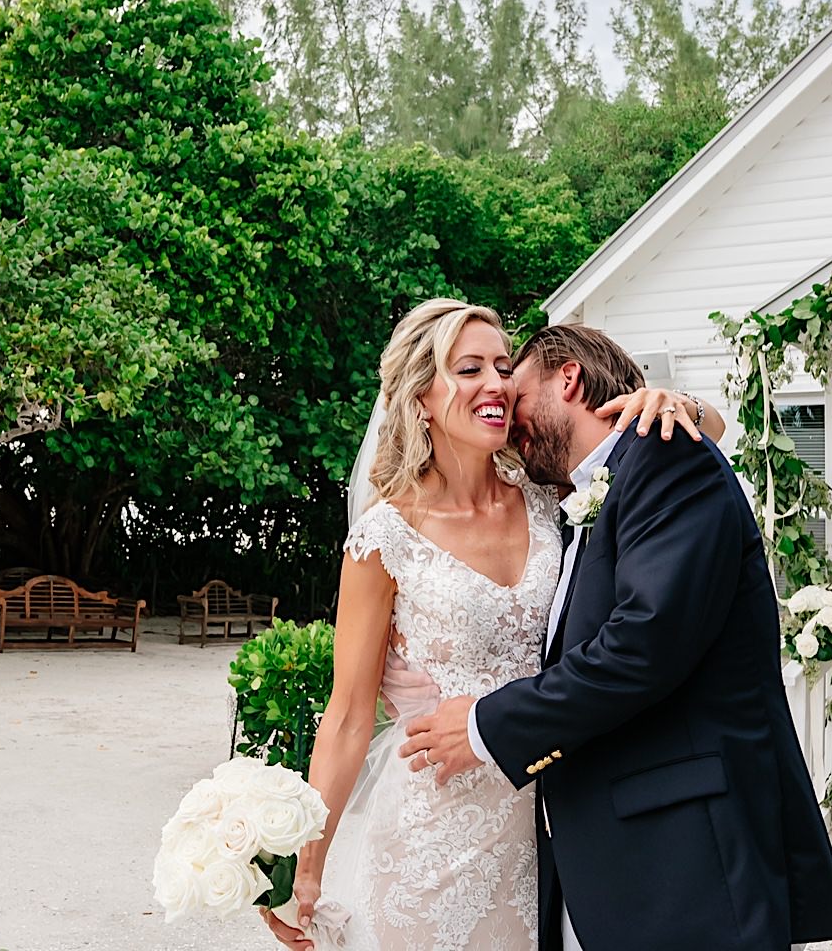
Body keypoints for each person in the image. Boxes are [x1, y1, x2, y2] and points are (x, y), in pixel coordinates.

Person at [261, 300, 724, 951]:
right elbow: (347, 716)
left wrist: (681, 407)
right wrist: (306, 869)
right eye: (470, 367)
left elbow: (696, 442)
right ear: (421, 397)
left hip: (545, 830)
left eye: (503, 366)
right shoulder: (383, 539)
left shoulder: (549, 495)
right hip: (429, 835)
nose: (497, 384)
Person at [399, 324, 832, 951]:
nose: (509, 411)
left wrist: (483, 726)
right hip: (605, 859)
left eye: (518, 389)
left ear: (569, 379)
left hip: (686, 862)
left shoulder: (666, 456)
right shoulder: (579, 495)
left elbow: (642, 644)